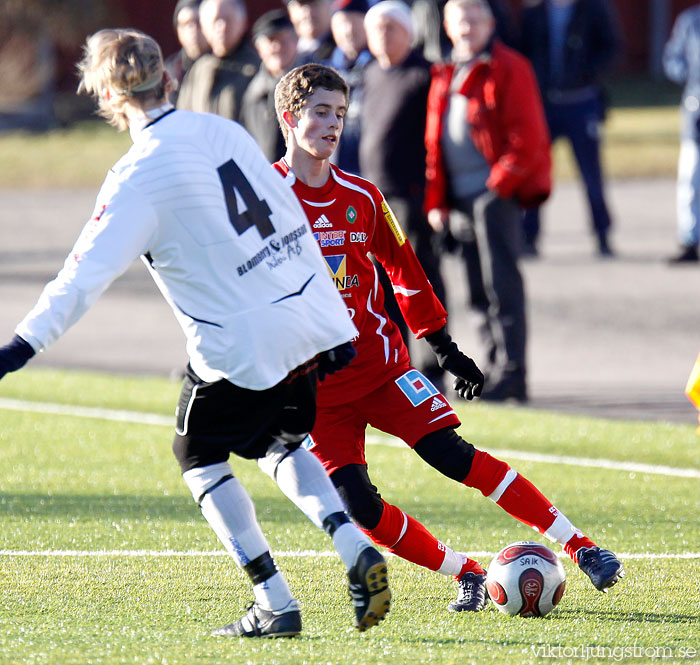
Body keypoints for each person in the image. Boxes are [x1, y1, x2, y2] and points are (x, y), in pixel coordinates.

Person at [0, 29, 390, 639]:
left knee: (197, 453)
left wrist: (19, 347)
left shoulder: (136, 176)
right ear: (169, 78)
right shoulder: (224, 132)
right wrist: (331, 325)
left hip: (238, 347)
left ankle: (274, 600)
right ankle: (352, 547)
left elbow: (81, 278)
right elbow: (293, 223)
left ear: (106, 92)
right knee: (280, 442)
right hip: (302, 328)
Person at [272, 61, 624, 614]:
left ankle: (583, 548)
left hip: (383, 369)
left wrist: (443, 345)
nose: (333, 124)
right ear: (291, 118)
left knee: (450, 455)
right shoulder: (265, 199)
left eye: (340, 113)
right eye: (320, 112)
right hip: (315, 391)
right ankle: (468, 573)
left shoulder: (362, 198)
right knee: (359, 505)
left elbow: (404, 269)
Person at [425, 0, 550, 402]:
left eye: (475, 21)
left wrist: (496, 191)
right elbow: (434, 144)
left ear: (490, 24)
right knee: (476, 291)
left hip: (495, 199)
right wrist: (438, 201)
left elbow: (527, 139)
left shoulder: (510, 67)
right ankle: (493, 367)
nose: (467, 28)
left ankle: (514, 373)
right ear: (447, 26)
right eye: (460, 21)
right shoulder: (445, 72)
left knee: (502, 287)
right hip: (459, 201)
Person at [360, 0, 447, 387]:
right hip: (374, 199)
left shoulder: (424, 75)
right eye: (376, 28)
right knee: (379, 285)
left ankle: (432, 366)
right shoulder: (371, 74)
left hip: (411, 199)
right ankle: (396, 365)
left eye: (390, 27)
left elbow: (436, 142)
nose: (382, 35)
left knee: (419, 282)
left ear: (408, 33)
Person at [519, 0, 621, 257]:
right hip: (544, 105)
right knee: (535, 172)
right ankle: (529, 237)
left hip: (581, 101)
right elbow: (522, 50)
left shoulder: (594, 8)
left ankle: (602, 235)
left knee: (591, 174)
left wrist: (586, 72)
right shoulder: (534, 12)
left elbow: (611, 46)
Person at [176, 0, 259, 122]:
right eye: (216, 21)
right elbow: (183, 118)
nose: (222, 27)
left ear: (242, 23)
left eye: (228, 20)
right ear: (204, 27)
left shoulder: (255, 68)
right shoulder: (198, 70)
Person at [663, 4, 700, 264]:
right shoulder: (690, 20)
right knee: (691, 177)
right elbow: (672, 58)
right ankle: (689, 239)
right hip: (696, 109)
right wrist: (691, 78)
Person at [241, 9, 299, 162]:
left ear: (296, 41)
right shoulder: (253, 93)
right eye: (270, 42)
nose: (277, 48)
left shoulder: (312, 85)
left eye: (282, 40)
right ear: (259, 49)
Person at [325, 0, 373, 174]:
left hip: (371, 172)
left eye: (355, 22)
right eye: (342, 23)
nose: (348, 30)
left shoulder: (379, 67)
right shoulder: (325, 70)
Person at [164, 0, 211, 105]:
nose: (193, 30)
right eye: (186, 24)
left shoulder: (225, 64)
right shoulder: (170, 70)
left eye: (198, 22)